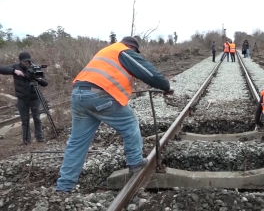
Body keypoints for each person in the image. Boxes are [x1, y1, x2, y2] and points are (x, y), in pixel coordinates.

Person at [56, 36, 174, 193]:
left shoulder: (105, 52)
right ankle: (135, 162)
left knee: (76, 143)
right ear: (132, 48)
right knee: (129, 123)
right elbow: (146, 71)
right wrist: (165, 86)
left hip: (78, 95)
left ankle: (64, 187)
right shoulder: (123, 51)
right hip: (99, 96)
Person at [0, 52, 48, 145]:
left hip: (34, 97)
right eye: (24, 61)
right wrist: (14, 71)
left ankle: (40, 137)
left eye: (28, 61)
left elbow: (45, 83)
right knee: (24, 120)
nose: (27, 63)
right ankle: (26, 140)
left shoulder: (35, 67)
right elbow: (1, 69)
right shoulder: (16, 67)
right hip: (22, 98)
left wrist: (38, 78)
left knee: (37, 118)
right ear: (20, 61)